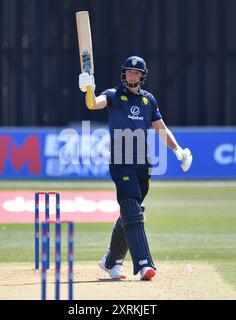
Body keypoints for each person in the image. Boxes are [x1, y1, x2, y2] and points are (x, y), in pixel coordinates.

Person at [78, 56, 192, 280]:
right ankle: (144, 264)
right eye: (128, 72)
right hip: (121, 162)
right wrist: (88, 88)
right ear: (124, 74)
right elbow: (93, 104)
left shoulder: (148, 100)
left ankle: (111, 262)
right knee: (131, 206)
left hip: (143, 164)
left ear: (142, 76)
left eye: (135, 73)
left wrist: (178, 150)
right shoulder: (113, 95)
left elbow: (161, 128)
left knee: (132, 211)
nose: (131, 75)